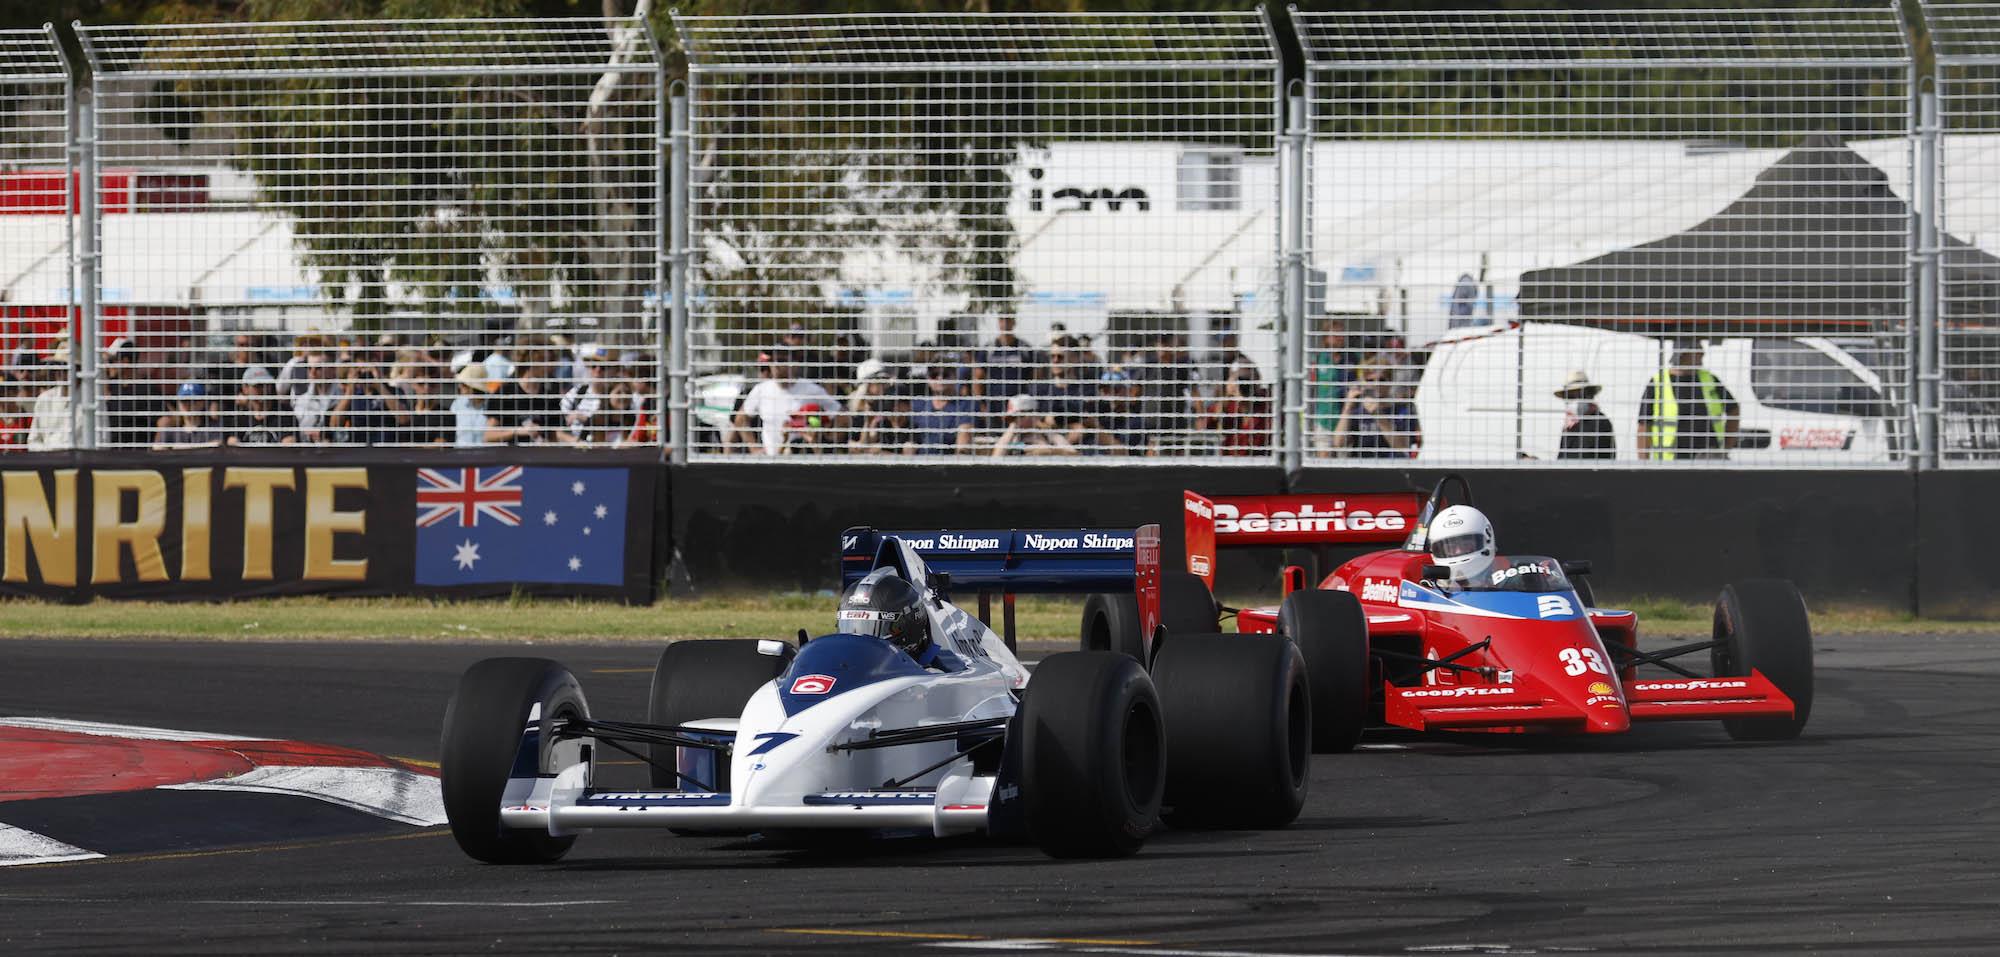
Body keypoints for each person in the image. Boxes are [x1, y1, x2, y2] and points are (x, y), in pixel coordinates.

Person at [1639, 343, 1739, 461]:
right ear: (1683, 353)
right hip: (1670, 462)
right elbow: (1644, 426)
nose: (1702, 353)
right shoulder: (1657, 383)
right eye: (1697, 349)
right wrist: (1643, 463)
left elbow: (1734, 410)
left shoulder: (1710, 380)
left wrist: (1725, 448)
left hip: (1709, 458)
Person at [836, 571, 951, 669]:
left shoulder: (934, 676)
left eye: (871, 629)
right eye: (850, 625)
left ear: (909, 626)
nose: (859, 644)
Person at [1334, 362, 1418, 457]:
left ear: (1390, 383)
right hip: (1362, 465)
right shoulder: (1357, 412)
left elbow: (1403, 447)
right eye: (1370, 380)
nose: (1376, 384)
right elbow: (1339, 443)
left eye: (1381, 380)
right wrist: (1347, 408)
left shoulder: (1402, 411)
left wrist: (1379, 416)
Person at [909, 365, 977, 454]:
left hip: (950, 463)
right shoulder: (918, 405)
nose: (940, 378)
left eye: (945, 374)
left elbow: (963, 443)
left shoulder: (966, 404)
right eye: (934, 375)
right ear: (928, 379)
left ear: (955, 377)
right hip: (919, 463)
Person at [1427, 504, 1497, 583]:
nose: (1458, 551)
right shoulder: (1435, 588)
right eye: (1451, 547)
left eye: (1466, 545)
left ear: (1487, 539)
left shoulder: (1505, 575)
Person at [990, 394, 1076, 457]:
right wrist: (1012, 430)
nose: (1015, 421)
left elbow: (1076, 456)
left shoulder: (1049, 436)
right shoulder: (1009, 438)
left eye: (1019, 416)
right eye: (1011, 418)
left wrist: (1050, 451)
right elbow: (996, 459)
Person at [1555, 371, 1615, 460]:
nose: (1576, 400)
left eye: (1580, 395)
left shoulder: (1600, 422)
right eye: (1571, 397)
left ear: (1589, 395)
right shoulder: (1570, 425)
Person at [152, 382, 227, 449]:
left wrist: (183, 449)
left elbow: (217, 445)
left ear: (202, 402)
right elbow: (157, 448)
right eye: (184, 401)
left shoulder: (213, 427)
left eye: (193, 401)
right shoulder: (170, 428)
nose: (188, 405)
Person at [26, 345, 73, 451]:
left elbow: (102, 440)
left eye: (64, 367)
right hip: (49, 463)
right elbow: (33, 441)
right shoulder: (44, 399)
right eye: (56, 367)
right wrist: (48, 454)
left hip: (82, 464)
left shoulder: (91, 402)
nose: (59, 372)